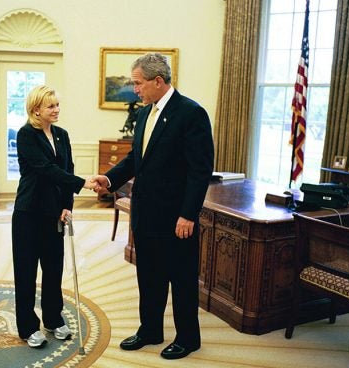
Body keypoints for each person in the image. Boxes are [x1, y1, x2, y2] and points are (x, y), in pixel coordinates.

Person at [93, 53, 214, 360]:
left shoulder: (191, 113)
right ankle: (150, 330)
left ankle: (188, 338)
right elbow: (137, 160)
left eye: (138, 83)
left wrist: (188, 214)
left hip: (176, 218)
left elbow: (200, 170)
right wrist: (109, 180)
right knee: (149, 276)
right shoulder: (146, 113)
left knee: (181, 279)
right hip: (145, 214)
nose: (135, 89)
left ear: (158, 81)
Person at [12, 84, 96, 348]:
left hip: (54, 213)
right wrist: (82, 182)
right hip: (29, 213)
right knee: (26, 272)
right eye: (51, 106)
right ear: (36, 109)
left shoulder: (62, 134)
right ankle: (27, 327)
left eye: (57, 105)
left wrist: (67, 205)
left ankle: (53, 319)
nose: (57, 109)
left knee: (53, 269)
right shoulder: (26, 135)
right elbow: (46, 169)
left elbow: (66, 168)